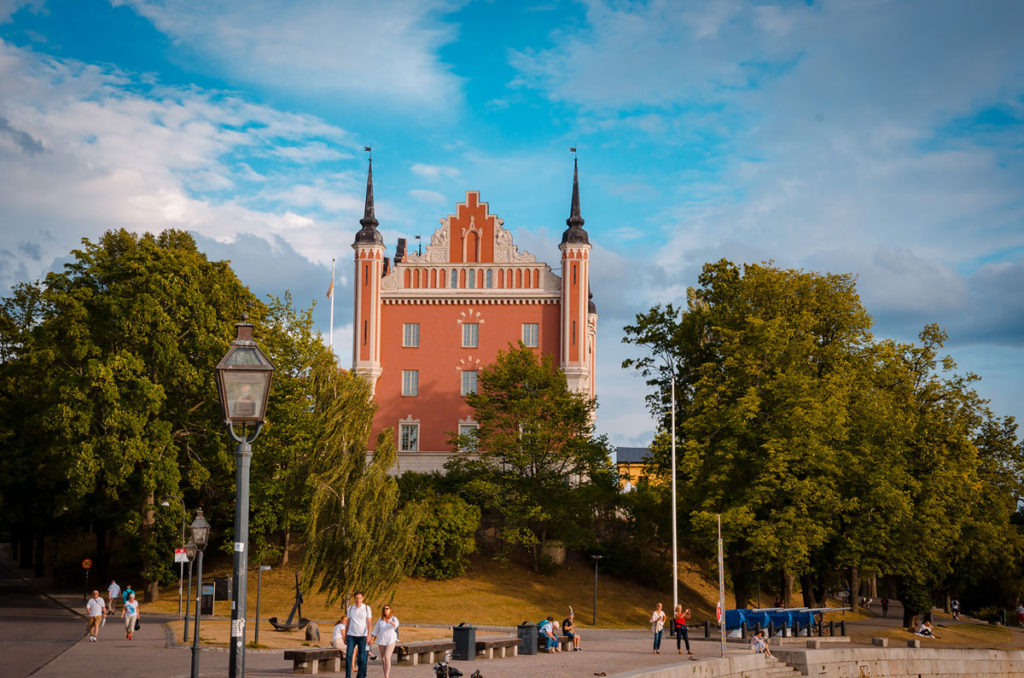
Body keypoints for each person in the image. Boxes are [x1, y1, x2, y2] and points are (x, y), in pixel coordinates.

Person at [345, 592, 372, 678]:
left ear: (362, 598)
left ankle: (360, 675)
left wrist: (368, 635)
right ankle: (347, 675)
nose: (358, 600)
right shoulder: (350, 608)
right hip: (351, 635)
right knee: (348, 655)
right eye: (356, 598)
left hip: (362, 636)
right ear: (354, 598)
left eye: (359, 598)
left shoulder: (366, 608)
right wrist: (345, 635)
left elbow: (369, 622)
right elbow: (348, 622)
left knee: (362, 657)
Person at [369, 605, 400, 678]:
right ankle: (385, 674)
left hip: (391, 641)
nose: (385, 610)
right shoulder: (381, 619)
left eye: (387, 609)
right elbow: (376, 630)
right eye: (384, 609)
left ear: (390, 610)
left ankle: (387, 676)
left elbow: (396, 624)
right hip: (382, 641)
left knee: (387, 657)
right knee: (383, 659)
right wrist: (372, 639)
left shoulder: (394, 618)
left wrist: (391, 622)